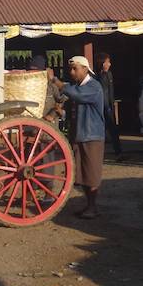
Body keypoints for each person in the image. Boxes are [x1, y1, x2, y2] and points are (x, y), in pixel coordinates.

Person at [49, 56, 105, 219]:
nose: (72, 72)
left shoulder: (94, 86)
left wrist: (57, 82)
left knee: (92, 174)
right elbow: (77, 110)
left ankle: (93, 207)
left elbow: (78, 95)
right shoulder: (79, 87)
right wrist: (63, 113)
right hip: (81, 134)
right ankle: (89, 205)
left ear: (85, 69)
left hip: (92, 135)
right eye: (71, 69)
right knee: (82, 173)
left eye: (75, 69)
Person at [95, 52, 123, 160]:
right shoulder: (98, 76)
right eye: (107, 62)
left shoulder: (109, 74)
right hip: (103, 107)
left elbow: (110, 92)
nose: (109, 64)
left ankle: (118, 152)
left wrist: (112, 104)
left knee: (114, 131)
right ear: (102, 63)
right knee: (101, 132)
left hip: (109, 106)